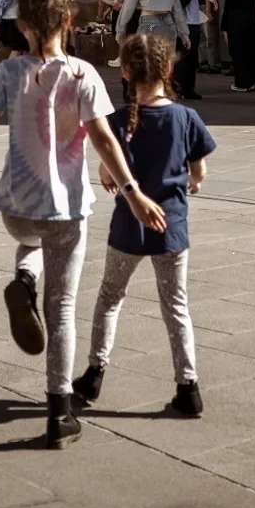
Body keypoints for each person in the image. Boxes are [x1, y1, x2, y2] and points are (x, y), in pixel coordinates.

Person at [0, 0, 169, 449]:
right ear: (69, 20)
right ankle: (59, 412)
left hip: (18, 207)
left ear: (21, 25)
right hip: (68, 208)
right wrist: (133, 192)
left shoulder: (6, 74)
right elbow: (102, 138)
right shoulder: (83, 75)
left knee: (28, 242)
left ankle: (23, 277)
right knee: (60, 311)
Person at [73, 33, 215, 418]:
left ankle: (94, 373)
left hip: (127, 230)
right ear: (168, 69)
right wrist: (193, 181)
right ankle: (188, 385)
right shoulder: (186, 118)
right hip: (172, 229)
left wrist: (113, 177)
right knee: (176, 305)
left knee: (109, 298)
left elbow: (106, 170)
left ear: (128, 74)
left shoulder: (119, 121)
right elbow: (198, 171)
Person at [166, 0, 209, 100]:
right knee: (189, 57)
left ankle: (173, 86)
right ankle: (186, 88)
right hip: (189, 19)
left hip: (171, 18)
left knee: (175, 56)